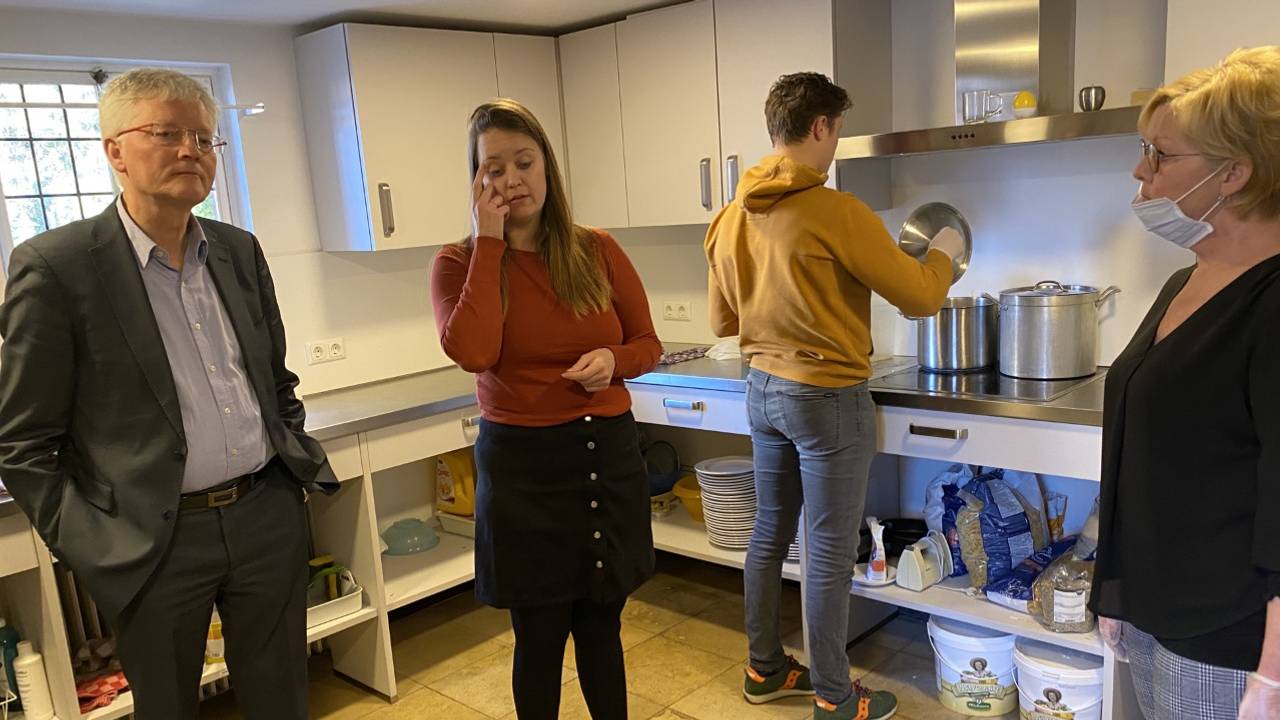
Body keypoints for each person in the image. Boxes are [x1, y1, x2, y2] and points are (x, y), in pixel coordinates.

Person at [0, 68, 337, 719]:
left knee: (283, 699)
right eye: (167, 133)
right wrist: (93, 546)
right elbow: (23, 442)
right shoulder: (57, 267)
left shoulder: (239, 251)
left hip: (264, 512)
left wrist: (291, 468)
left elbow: (274, 381)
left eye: (205, 139)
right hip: (152, 540)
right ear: (115, 151)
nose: (191, 150)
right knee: (169, 709)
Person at [704, 71, 963, 720]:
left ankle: (764, 670)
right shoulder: (837, 211)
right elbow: (923, 296)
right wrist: (946, 254)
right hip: (826, 398)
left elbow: (721, 322)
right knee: (825, 548)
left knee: (768, 533)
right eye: (836, 132)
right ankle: (834, 695)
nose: (834, 146)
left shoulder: (730, 216)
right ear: (821, 127)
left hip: (762, 390)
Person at [430, 98, 661, 720]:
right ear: (477, 180)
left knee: (601, 625)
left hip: (605, 455)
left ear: (547, 169)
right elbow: (474, 350)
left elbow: (647, 343)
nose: (512, 180)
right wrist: (489, 241)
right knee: (539, 636)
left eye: (524, 163)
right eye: (494, 169)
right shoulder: (458, 262)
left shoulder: (597, 250)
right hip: (524, 469)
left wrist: (614, 360)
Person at [1089, 46, 1280, 720]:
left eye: (1161, 155)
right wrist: (1115, 591)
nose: (1141, 171)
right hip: (1151, 610)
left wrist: (1272, 679)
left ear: (1235, 172)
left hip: (1224, 640)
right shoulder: (1185, 281)